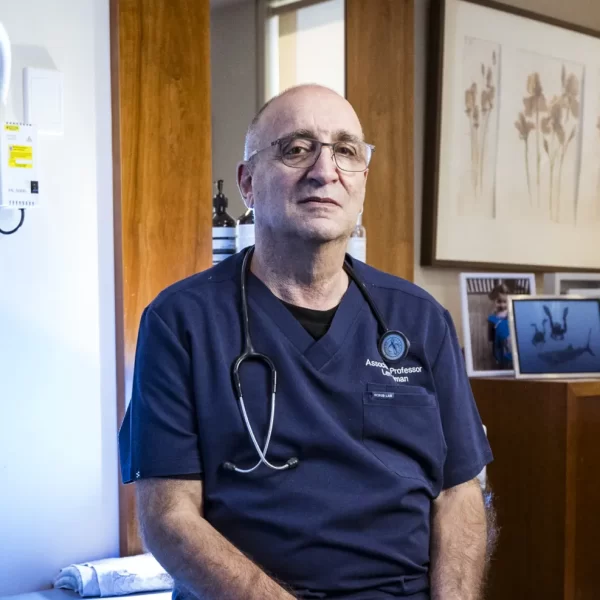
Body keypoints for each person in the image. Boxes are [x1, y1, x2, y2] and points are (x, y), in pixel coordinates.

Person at [118, 84, 494, 600]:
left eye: (346, 151)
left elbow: (458, 492)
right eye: (296, 149)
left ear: (362, 179)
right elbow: (168, 516)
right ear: (248, 184)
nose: (324, 170)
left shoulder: (420, 318)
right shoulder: (180, 322)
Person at [487, 283, 512, 369]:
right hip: (498, 347)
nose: (502, 305)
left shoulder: (512, 316)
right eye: (499, 301)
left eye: (505, 302)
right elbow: (491, 339)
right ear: (494, 301)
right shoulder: (491, 319)